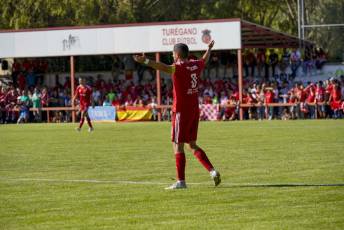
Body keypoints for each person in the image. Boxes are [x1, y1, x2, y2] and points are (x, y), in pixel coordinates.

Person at [133, 41, 221, 189]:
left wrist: (146, 61)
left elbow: (163, 67)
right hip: (193, 109)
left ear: (177, 54)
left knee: (177, 145)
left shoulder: (178, 67)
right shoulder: (195, 64)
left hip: (181, 110)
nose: (172, 56)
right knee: (191, 144)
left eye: (173, 53)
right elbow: (204, 59)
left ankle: (181, 181)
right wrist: (209, 48)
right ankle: (212, 171)